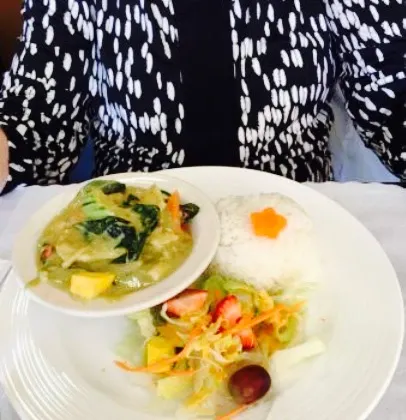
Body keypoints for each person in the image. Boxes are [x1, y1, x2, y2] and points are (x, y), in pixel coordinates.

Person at [0, 0, 405, 195]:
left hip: (291, 224)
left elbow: (392, 94)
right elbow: (38, 117)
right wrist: (8, 145)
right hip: (132, 227)